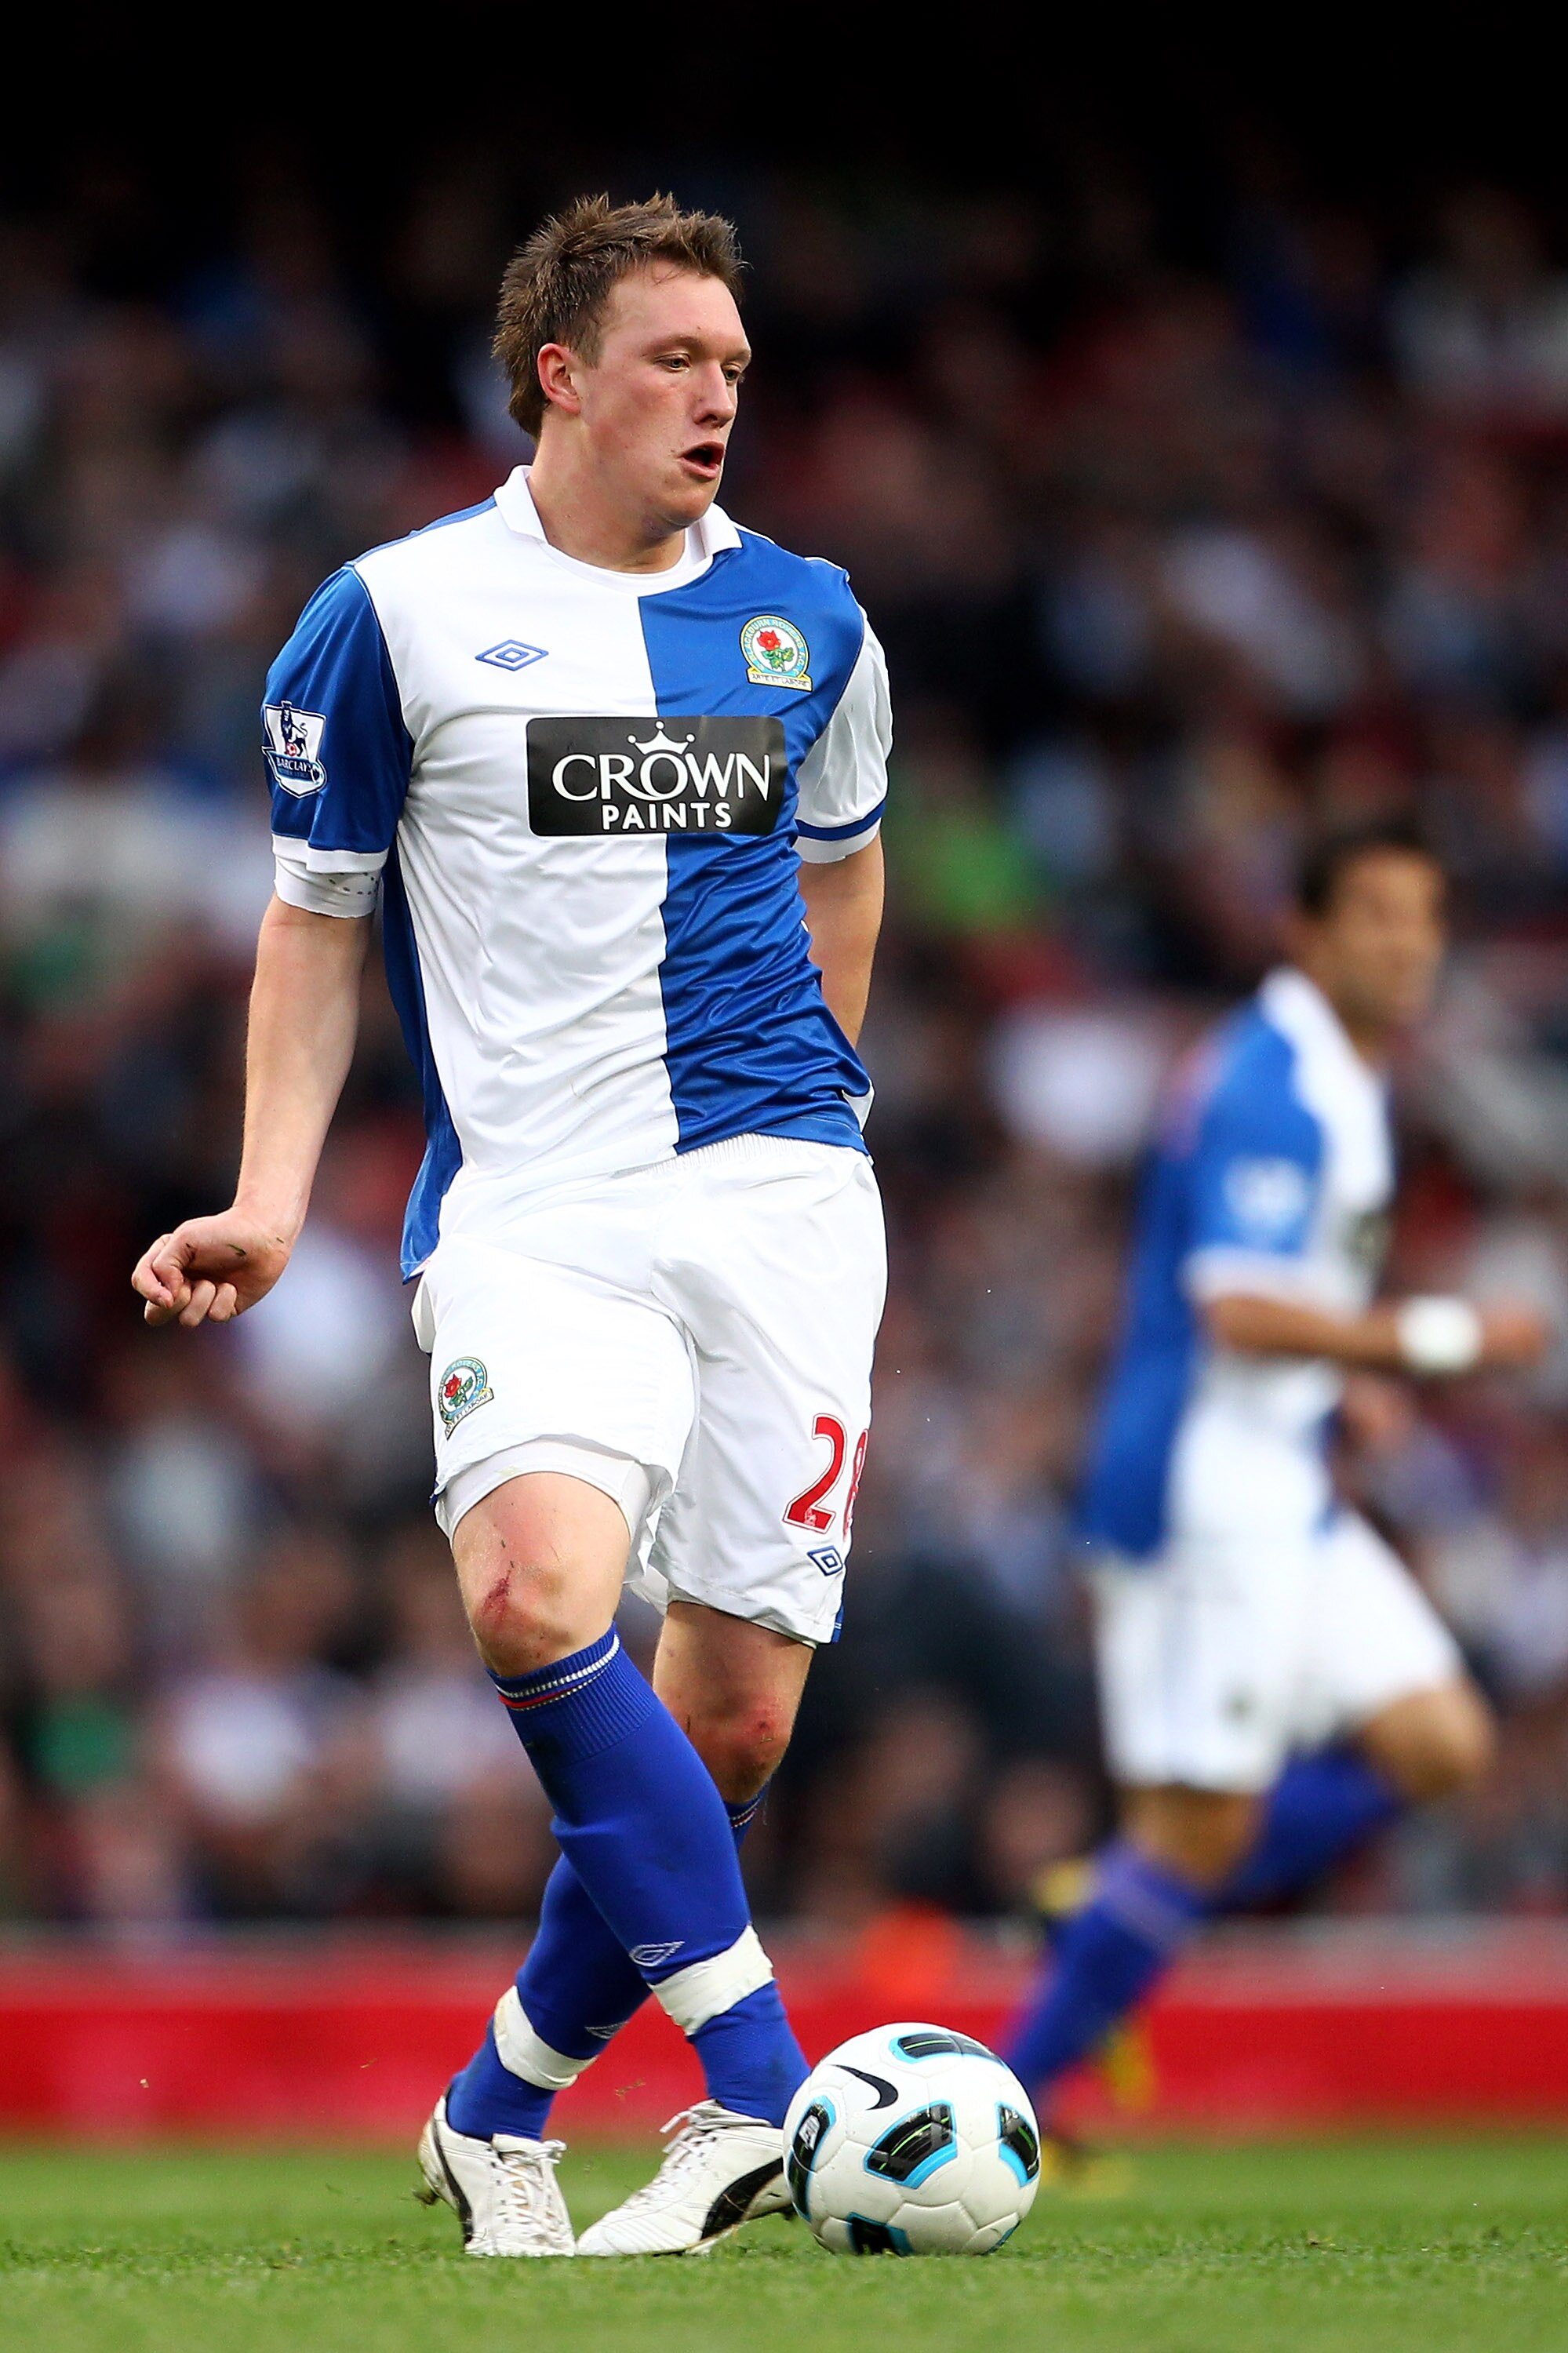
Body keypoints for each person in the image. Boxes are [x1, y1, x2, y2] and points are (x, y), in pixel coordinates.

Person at [132, 194, 890, 2258]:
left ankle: (495, 2116)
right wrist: (271, 1204)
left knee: (730, 1719)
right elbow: (315, 926)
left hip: (787, 1202)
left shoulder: (809, 619)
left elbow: (845, 864)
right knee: (539, 1603)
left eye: (736, 365)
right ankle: (758, 2092)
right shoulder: (391, 617)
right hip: (543, 1209)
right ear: (558, 373)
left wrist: (821, 1092)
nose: (719, 395)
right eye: (675, 359)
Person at [1004, 818, 1548, 2129]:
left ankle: (1125, 1899)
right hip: (1209, 1495)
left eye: (1424, 918)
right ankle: (1005, 2103)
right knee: (1204, 1833)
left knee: (1439, 1738)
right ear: (1303, 931)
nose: (1408, 944)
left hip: (1282, 1478)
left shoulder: (1340, 1078)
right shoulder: (1275, 1084)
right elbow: (1241, 1305)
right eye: (1375, 915)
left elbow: (1278, 1299)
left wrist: (1342, 1383)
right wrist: (1441, 1337)